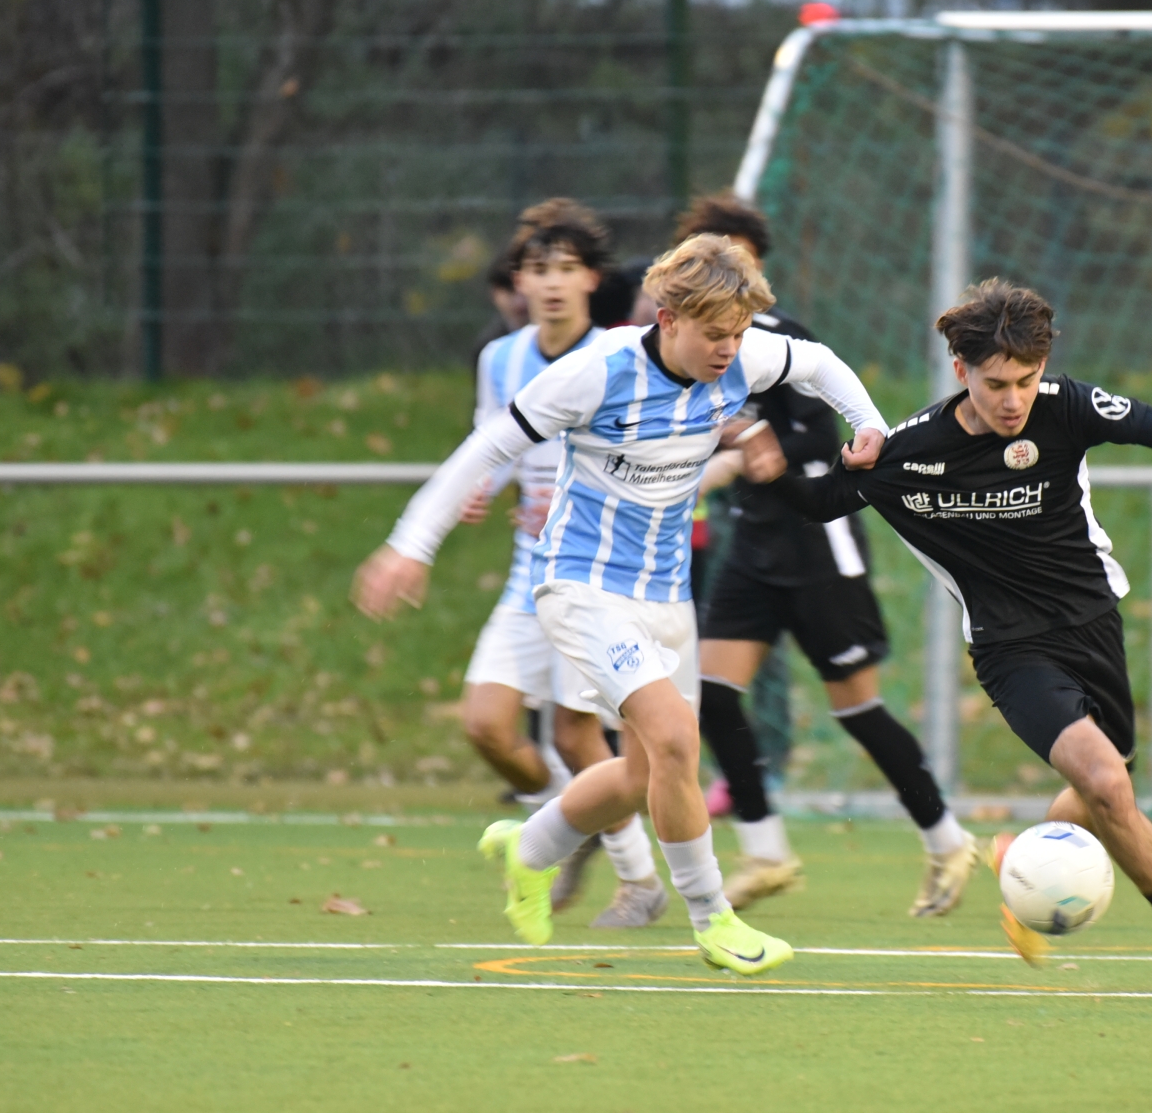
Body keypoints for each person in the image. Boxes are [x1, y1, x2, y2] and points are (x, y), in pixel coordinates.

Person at [353, 234, 888, 975]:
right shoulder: (595, 372)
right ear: (667, 319)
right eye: (714, 333)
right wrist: (411, 543)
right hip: (582, 587)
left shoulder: (744, 355)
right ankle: (712, 917)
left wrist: (869, 424)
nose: (729, 350)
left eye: (738, 334)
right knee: (676, 740)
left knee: (643, 777)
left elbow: (819, 363)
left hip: (667, 597)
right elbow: (488, 447)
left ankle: (529, 849)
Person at [737, 278, 1152, 995]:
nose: (1013, 400)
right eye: (996, 384)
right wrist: (777, 470)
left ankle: (1024, 871)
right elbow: (820, 504)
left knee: (1101, 790)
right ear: (961, 370)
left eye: (1026, 380)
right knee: (1105, 782)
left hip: (1094, 624)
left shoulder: (1067, 408)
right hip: (1010, 648)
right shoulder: (912, 452)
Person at [677, 193, 976, 915]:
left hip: (817, 543)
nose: (721, 271)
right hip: (753, 543)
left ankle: (946, 841)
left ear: (756, 267)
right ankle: (766, 851)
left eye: (735, 257)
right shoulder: (687, 349)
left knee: (857, 707)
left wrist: (748, 453)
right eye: (706, 257)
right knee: (711, 693)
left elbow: (819, 435)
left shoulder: (778, 341)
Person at [458, 198, 667, 928]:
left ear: (591, 280)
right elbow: (493, 444)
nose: (551, 283)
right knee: (485, 724)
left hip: (598, 573)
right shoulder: (501, 359)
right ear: (518, 280)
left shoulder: (621, 354)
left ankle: (640, 884)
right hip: (530, 574)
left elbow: (647, 456)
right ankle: (569, 816)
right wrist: (479, 488)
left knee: (578, 735)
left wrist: (578, 499)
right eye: (538, 269)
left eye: (566, 269)